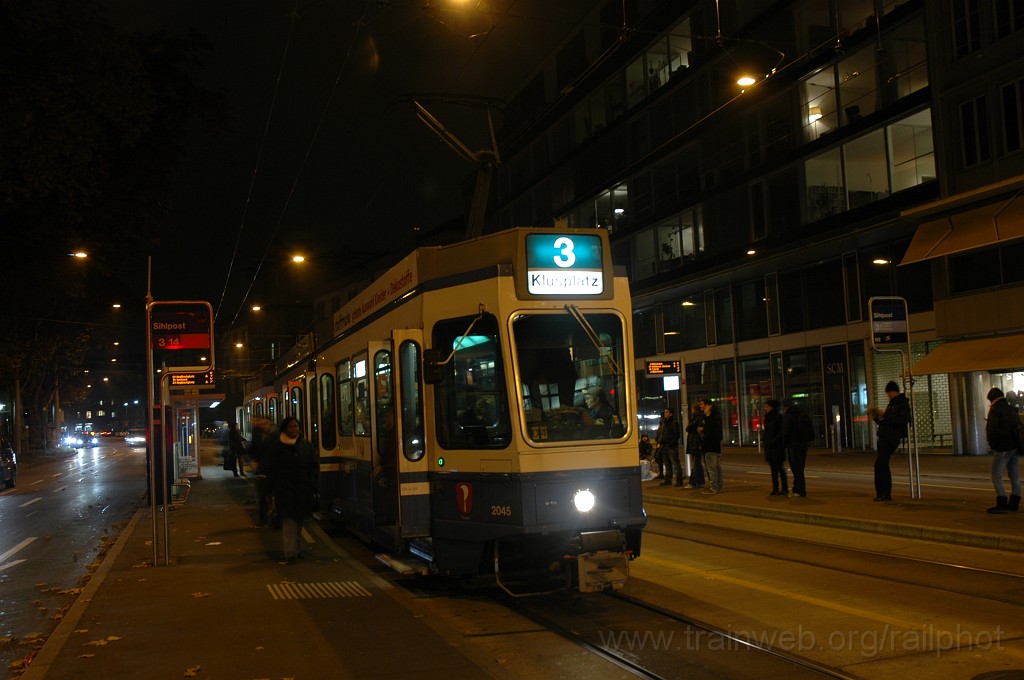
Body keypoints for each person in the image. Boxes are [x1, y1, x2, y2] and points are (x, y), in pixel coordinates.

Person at [264, 416, 319, 564]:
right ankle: (290, 553)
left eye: (296, 427)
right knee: (289, 522)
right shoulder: (277, 448)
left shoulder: (306, 446)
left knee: (299, 522)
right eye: (291, 427)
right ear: (285, 429)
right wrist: (269, 491)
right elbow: (271, 471)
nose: (294, 430)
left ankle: (297, 549)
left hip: (302, 490)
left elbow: (313, 466)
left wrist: (312, 483)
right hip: (284, 490)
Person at [867, 381, 910, 502]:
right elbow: (887, 422)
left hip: (891, 438)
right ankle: (882, 493)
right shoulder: (892, 404)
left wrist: (885, 414)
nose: (888, 395)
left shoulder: (901, 404)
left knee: (880, 464)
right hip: (885, 437)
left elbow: (901, 421)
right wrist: (876, 418)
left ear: (894, 391)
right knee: (882, 465)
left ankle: (884, 493)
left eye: (889, 392)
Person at [984, 387, 1021, 514]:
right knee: (1014, 475)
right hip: (1014, 447)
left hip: (1002, 447)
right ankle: (1014, 503)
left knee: (996, 475)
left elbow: (992, 429)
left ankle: (1002, 502)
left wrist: (993, 444)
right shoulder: (1011, 409)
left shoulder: (995, 410)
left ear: (992, 399)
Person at [781, 398, 809, 497]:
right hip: (803, 444)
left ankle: (800, 490)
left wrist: (784, 444)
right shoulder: (803, 414)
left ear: (785, 406)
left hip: (793, 445)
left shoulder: (788, 416)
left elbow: (785, 432)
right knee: (800, 467)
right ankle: (797, 488)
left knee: (796, 468)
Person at [763, 399, 788, 496]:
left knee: (779, 468)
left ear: (772, 407)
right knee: (773, 469)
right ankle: (775, 488)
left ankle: (784, 488)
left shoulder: (778, 417)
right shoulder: (768, 418)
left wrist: (773, 441)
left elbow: (780, 432)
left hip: (776, 447)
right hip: (770, 447)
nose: (765, 408)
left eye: (767, 406)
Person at [699, 400, 723, 494]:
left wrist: (703, 430)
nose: (701, 406)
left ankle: (714, 487)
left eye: (702, 404)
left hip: (710, 446)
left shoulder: (710, 419)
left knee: (712, 469)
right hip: (715, 446)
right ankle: (718, 486)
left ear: (708, 405)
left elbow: (710, 433)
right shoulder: (715, 418)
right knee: (717, 468)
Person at [655, 407, 682, 487]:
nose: (665, 413)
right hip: (664, 446)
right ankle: (668, 479)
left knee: (675, 464)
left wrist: (670, 443)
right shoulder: (663, 423)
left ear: (671, 413)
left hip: (671, 446)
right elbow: (660, 433)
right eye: (665, 412)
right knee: (667, 464)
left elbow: (676, 435)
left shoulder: (673, 423)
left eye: (667, 412)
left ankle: (679, 480)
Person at [683, 401, 705, 489]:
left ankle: (694, 482)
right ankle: (699, 481)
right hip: (695, 443)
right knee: (697, 463)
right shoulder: (698, 418)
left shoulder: (697, 418)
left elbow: (688, 428)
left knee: (696, 464)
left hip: (695, 443)